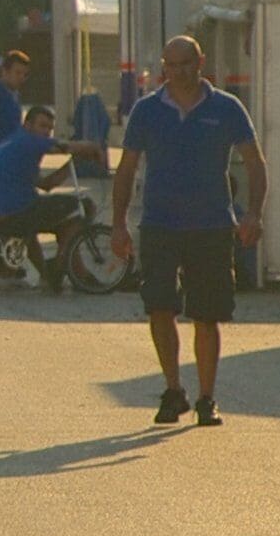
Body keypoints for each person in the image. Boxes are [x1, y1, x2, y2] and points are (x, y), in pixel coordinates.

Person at [108, 33, 266, 427]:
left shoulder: (226, 108)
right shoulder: (147, 110)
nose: (177, 72)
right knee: (160, 306)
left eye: (185, 64)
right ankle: (173, 389)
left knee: (206, 313)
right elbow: (126, 169)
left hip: (211, 224)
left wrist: (254, 214)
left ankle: (207, 397)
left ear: (201, 62)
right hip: (160, 222)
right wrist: (118, 225)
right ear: (163, 66)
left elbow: (254, 162)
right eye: (170, 65)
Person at [0, 103, 90, 288]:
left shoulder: (16, 142)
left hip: (4, 210)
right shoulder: (28, 141)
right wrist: (93, 148)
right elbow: (65, 146)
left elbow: (46, 184)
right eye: (42, 126)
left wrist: (73, 165)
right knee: (83, 205)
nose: (46, 132)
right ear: (28, 125)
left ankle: (48, 276)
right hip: (14, 211)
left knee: (52, 218)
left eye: (50, 128)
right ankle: (60, 263)